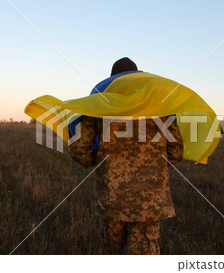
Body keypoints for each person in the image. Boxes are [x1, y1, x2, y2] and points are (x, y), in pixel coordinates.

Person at [68, 57, 183, 255]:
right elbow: (176, 151)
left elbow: (80, 149)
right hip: (150, 202)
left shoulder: (98, 107)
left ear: (113, 81)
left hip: (112, 199)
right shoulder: (161, 108)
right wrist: (154, 166)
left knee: (112, 254)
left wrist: (103, 163)